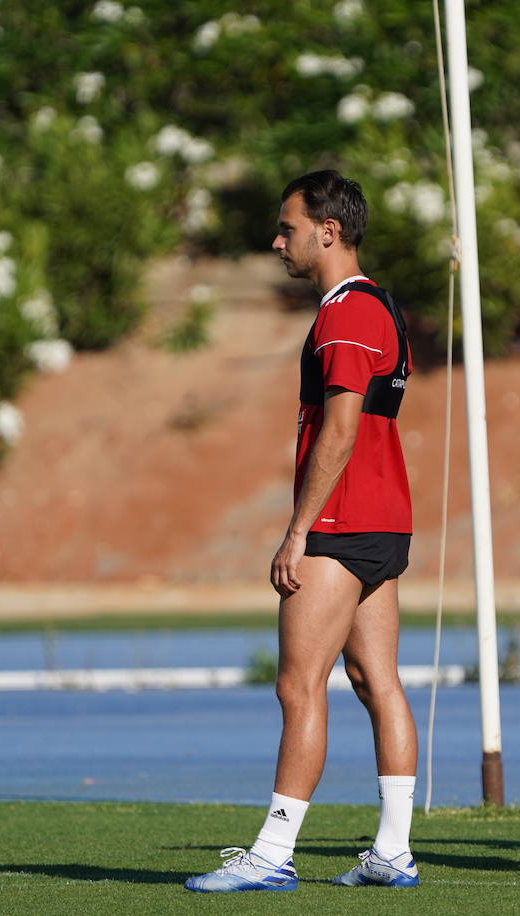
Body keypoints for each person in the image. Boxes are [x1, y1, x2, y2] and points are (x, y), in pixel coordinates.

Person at [185, 170, 420, 892]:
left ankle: (272, 853)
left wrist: (297, 532)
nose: (276, 239)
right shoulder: (379, 305)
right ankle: (393, 849)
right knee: (374, 679)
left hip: (343, 524)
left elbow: (341, 428)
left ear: (329, 229)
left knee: (299, 685)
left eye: (286, 227)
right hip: (385, 522)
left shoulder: (347, 312)